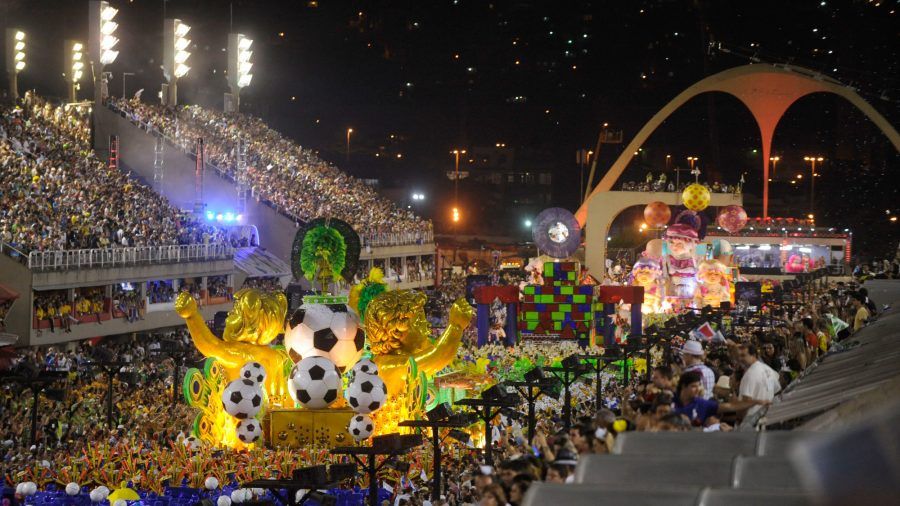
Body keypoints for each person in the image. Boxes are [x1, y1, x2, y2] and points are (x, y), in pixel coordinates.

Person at [738, 344, 781, 417]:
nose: (740, 359)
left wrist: (740, 419)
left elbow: (745, 404)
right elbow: (777, 390)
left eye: (743, 355)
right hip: (767, 415)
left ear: (754, 355)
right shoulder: (768, 369)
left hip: (751, 421)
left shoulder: (749, 375)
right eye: (740, 356)